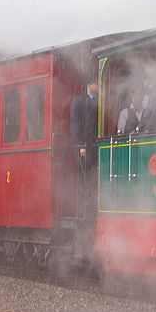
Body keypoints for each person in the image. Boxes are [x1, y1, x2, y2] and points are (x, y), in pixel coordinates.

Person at [70, 78, 99, 218]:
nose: (98, 85)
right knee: (83, 178)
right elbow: (75, 126)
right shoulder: (78, 101)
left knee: (92, 178)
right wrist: (81, 145)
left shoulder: (97, 101)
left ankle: (90, 210)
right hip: (83, 146)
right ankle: (81, 212)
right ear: (89, 85)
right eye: (96, 83)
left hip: (93, 145)